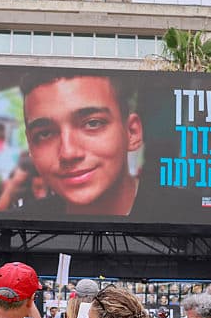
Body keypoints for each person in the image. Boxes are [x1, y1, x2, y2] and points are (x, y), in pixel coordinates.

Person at [15, 73, 144, 217]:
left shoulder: (172, 213)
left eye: (92, 123)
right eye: (45, 134)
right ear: (30, 145)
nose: (68, 153)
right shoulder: (20, 228)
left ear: (132, 133)